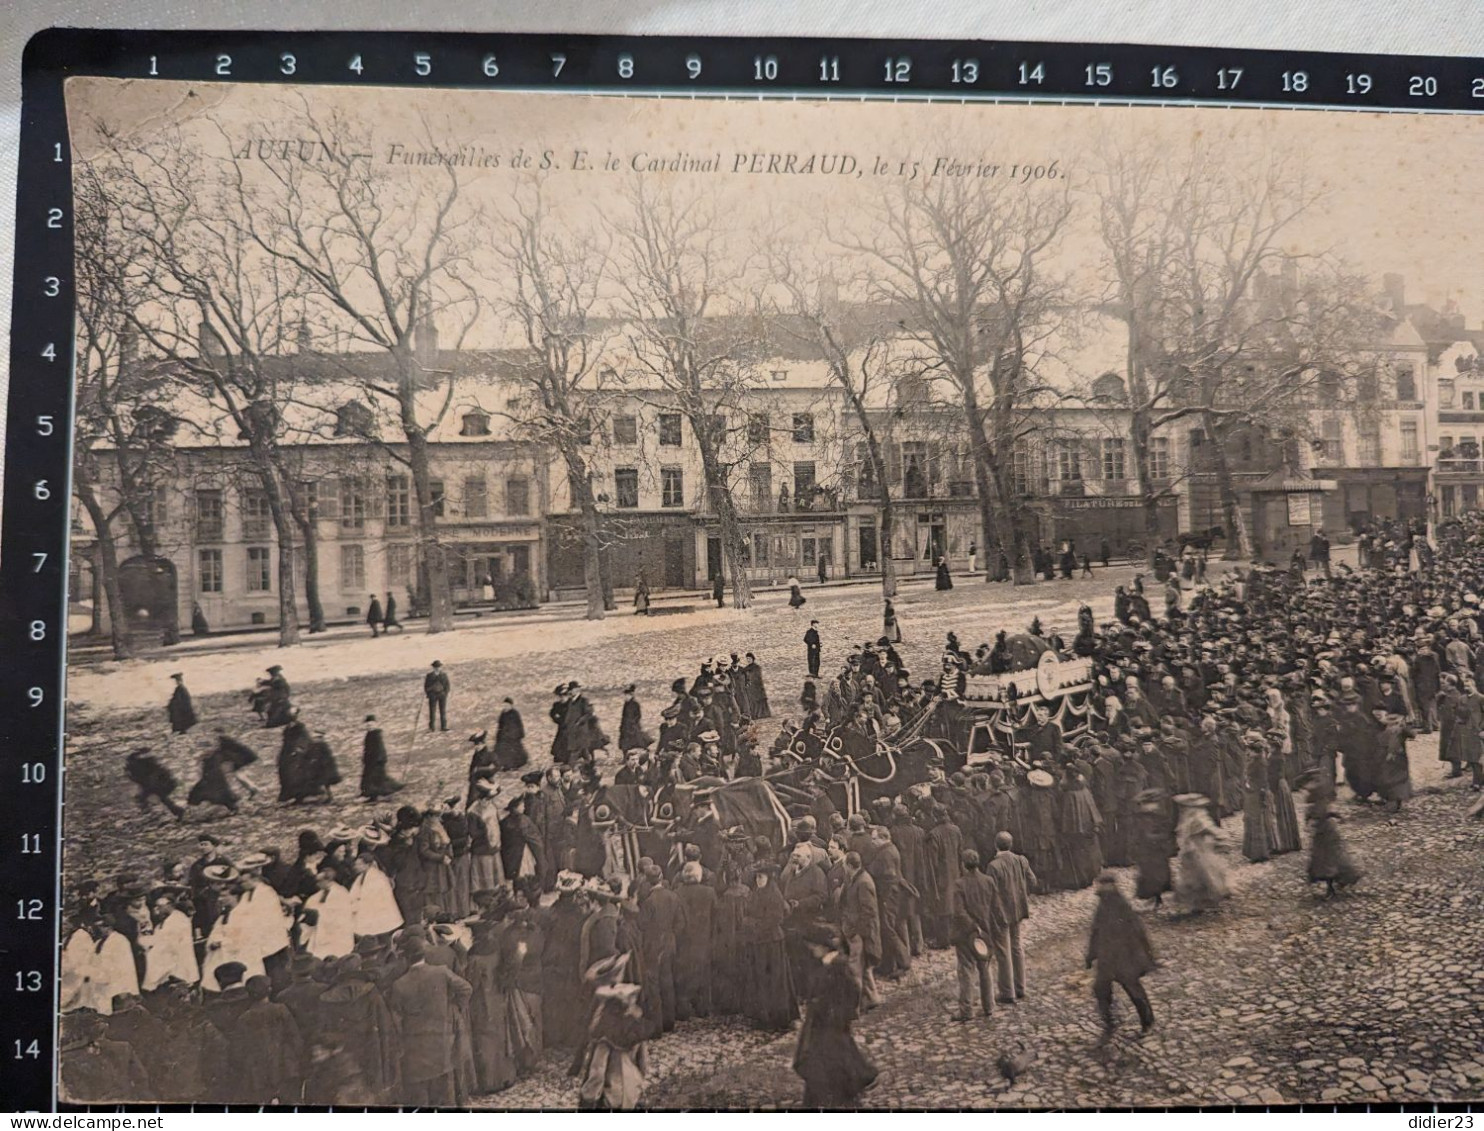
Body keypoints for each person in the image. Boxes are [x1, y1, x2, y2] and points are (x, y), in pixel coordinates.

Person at [386, 935, 473, 1107]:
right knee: (445, 1097)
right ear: (423, 954)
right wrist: (453, 1008)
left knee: (419, 1101)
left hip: (414, 1051)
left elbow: (396, 1021)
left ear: (404, 958)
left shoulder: (399, 985)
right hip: (442, 1043)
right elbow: (466, 988)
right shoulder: (440, 972)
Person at [792, 937, 878, 1108]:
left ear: (824, 947)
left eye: (815, 945)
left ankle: (853, 1082)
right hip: (823, 1019)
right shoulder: (826, 964)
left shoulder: (837, 965)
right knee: (832, 1051)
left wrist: (843, 1013)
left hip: (830, 1020)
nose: (812, 949)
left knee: (829, 1053)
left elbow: (853, 988)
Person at [1085, 871, 1156, 1042]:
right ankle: (1110, 1021)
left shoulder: (1120, 906)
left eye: (1102, 886)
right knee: (1101, 989)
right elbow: (1096, 933)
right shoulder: (1105, 905)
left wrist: (1146, 954)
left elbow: (1138, 932)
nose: (1099, 890)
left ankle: (1147, 1020)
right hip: (1108, 957)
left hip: (1123, 957)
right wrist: (1090, 955)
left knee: (1132, 989)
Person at [949, 849, 1003, 1022]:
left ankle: (966, 1010)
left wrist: (973, 926)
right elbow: (996, 907)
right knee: (985, 968)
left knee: (965, 970)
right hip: (986, 932)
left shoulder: (959, 884)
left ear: (963, 865)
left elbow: (958, 912)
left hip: (966, 934)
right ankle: (989, 1006)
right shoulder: (988, 881)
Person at [985, 831, 1035, 1003]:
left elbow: (990, 893)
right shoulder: (1021, 860)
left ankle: (1007, 992)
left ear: (996, 845)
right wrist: (1022, 894)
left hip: (1002, 913)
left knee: (1003, 951)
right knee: (1016, 947)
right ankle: (1020, 987)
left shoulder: (993, 866)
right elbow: (1032, 881)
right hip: (1018, 910)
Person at [1172, 794, 1228, 913]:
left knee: (1204, 874)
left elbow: (1210, 829)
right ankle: (1196, 904)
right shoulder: (1187, 818)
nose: (1183, 809)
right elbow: (1182, 834)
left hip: (1199, 849)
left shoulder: (1198, 817)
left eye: (1185, 806)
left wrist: (1220, 837)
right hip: (1189, 851)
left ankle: (1207, 900)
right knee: (1191, 877)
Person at [125, 747, 184, 820]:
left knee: (159, 796)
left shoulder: (148, 767)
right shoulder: (136, 769)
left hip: (161, 784)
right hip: (154, 784)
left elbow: (158, 776)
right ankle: (148, 814)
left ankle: (149, 814)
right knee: (143, 798)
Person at [359, 715, 402, 801]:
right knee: (370, 779)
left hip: (377, 761)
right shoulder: (369, 734)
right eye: (367, 725)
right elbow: (367, 749)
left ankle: (388, 792)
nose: (369, 727)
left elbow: (379, 749)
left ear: (375, 725)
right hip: (370, 761)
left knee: (377, 780)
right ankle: (373, 796)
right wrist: (365, 758)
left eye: (371, 725)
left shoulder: (376, 735)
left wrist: (378, 760)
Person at [494, 697, 529, 770]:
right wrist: (499, 735)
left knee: (514, 751)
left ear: (511, 705)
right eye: (504, 705)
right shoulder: (503, 713)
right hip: (503, 736)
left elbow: (519, 724)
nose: (506, 707)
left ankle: (514, 765)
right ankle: (505, 765)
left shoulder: (515, 713)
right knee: (502, 750)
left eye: (507, 705)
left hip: (513, 736)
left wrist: (519, 734)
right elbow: (500, 725)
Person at [425, 660, 450, 733]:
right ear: (433, 668)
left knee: (443, 711)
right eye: (435, 667)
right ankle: (432, 727)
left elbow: (447, 685)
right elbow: (426, 686)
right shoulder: (429, 676)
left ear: (440, 667)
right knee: (432, 711)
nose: (437, 668)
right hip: (433, 695)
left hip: (442, 695)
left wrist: (445, 693)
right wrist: (429, 694)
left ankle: (444, 726)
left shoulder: (444, 675)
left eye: (438, 667)